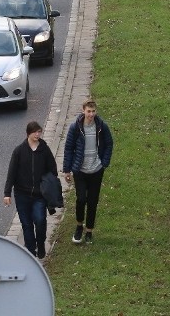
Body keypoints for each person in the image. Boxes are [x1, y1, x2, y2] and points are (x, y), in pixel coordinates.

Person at [63, 99, 114, 245]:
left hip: (96, 170)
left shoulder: (101, 126)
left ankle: (89, 231)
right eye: (88, 111)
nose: (91, 114)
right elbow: (68, 148)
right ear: (83, 110)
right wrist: (67, 169)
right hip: (80, 170)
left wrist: (104, 162)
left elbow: (109, 143)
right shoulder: (75, 127)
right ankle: (79, 226)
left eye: (93, 111)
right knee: (81, 199)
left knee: (92, 201)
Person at [4, 121, 58, 259]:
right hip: (22, 194)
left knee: (40, 220)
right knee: (26, 224)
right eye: (35, 132)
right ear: (28, 133)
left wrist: (48, 183)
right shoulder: (19, 151)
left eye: (39, 132)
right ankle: (30, 251)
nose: (38, 134)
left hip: (39, 195)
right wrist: (7, 193)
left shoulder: (44, 150)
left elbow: (53, 169)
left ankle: (40, 244)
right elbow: (11, 172)